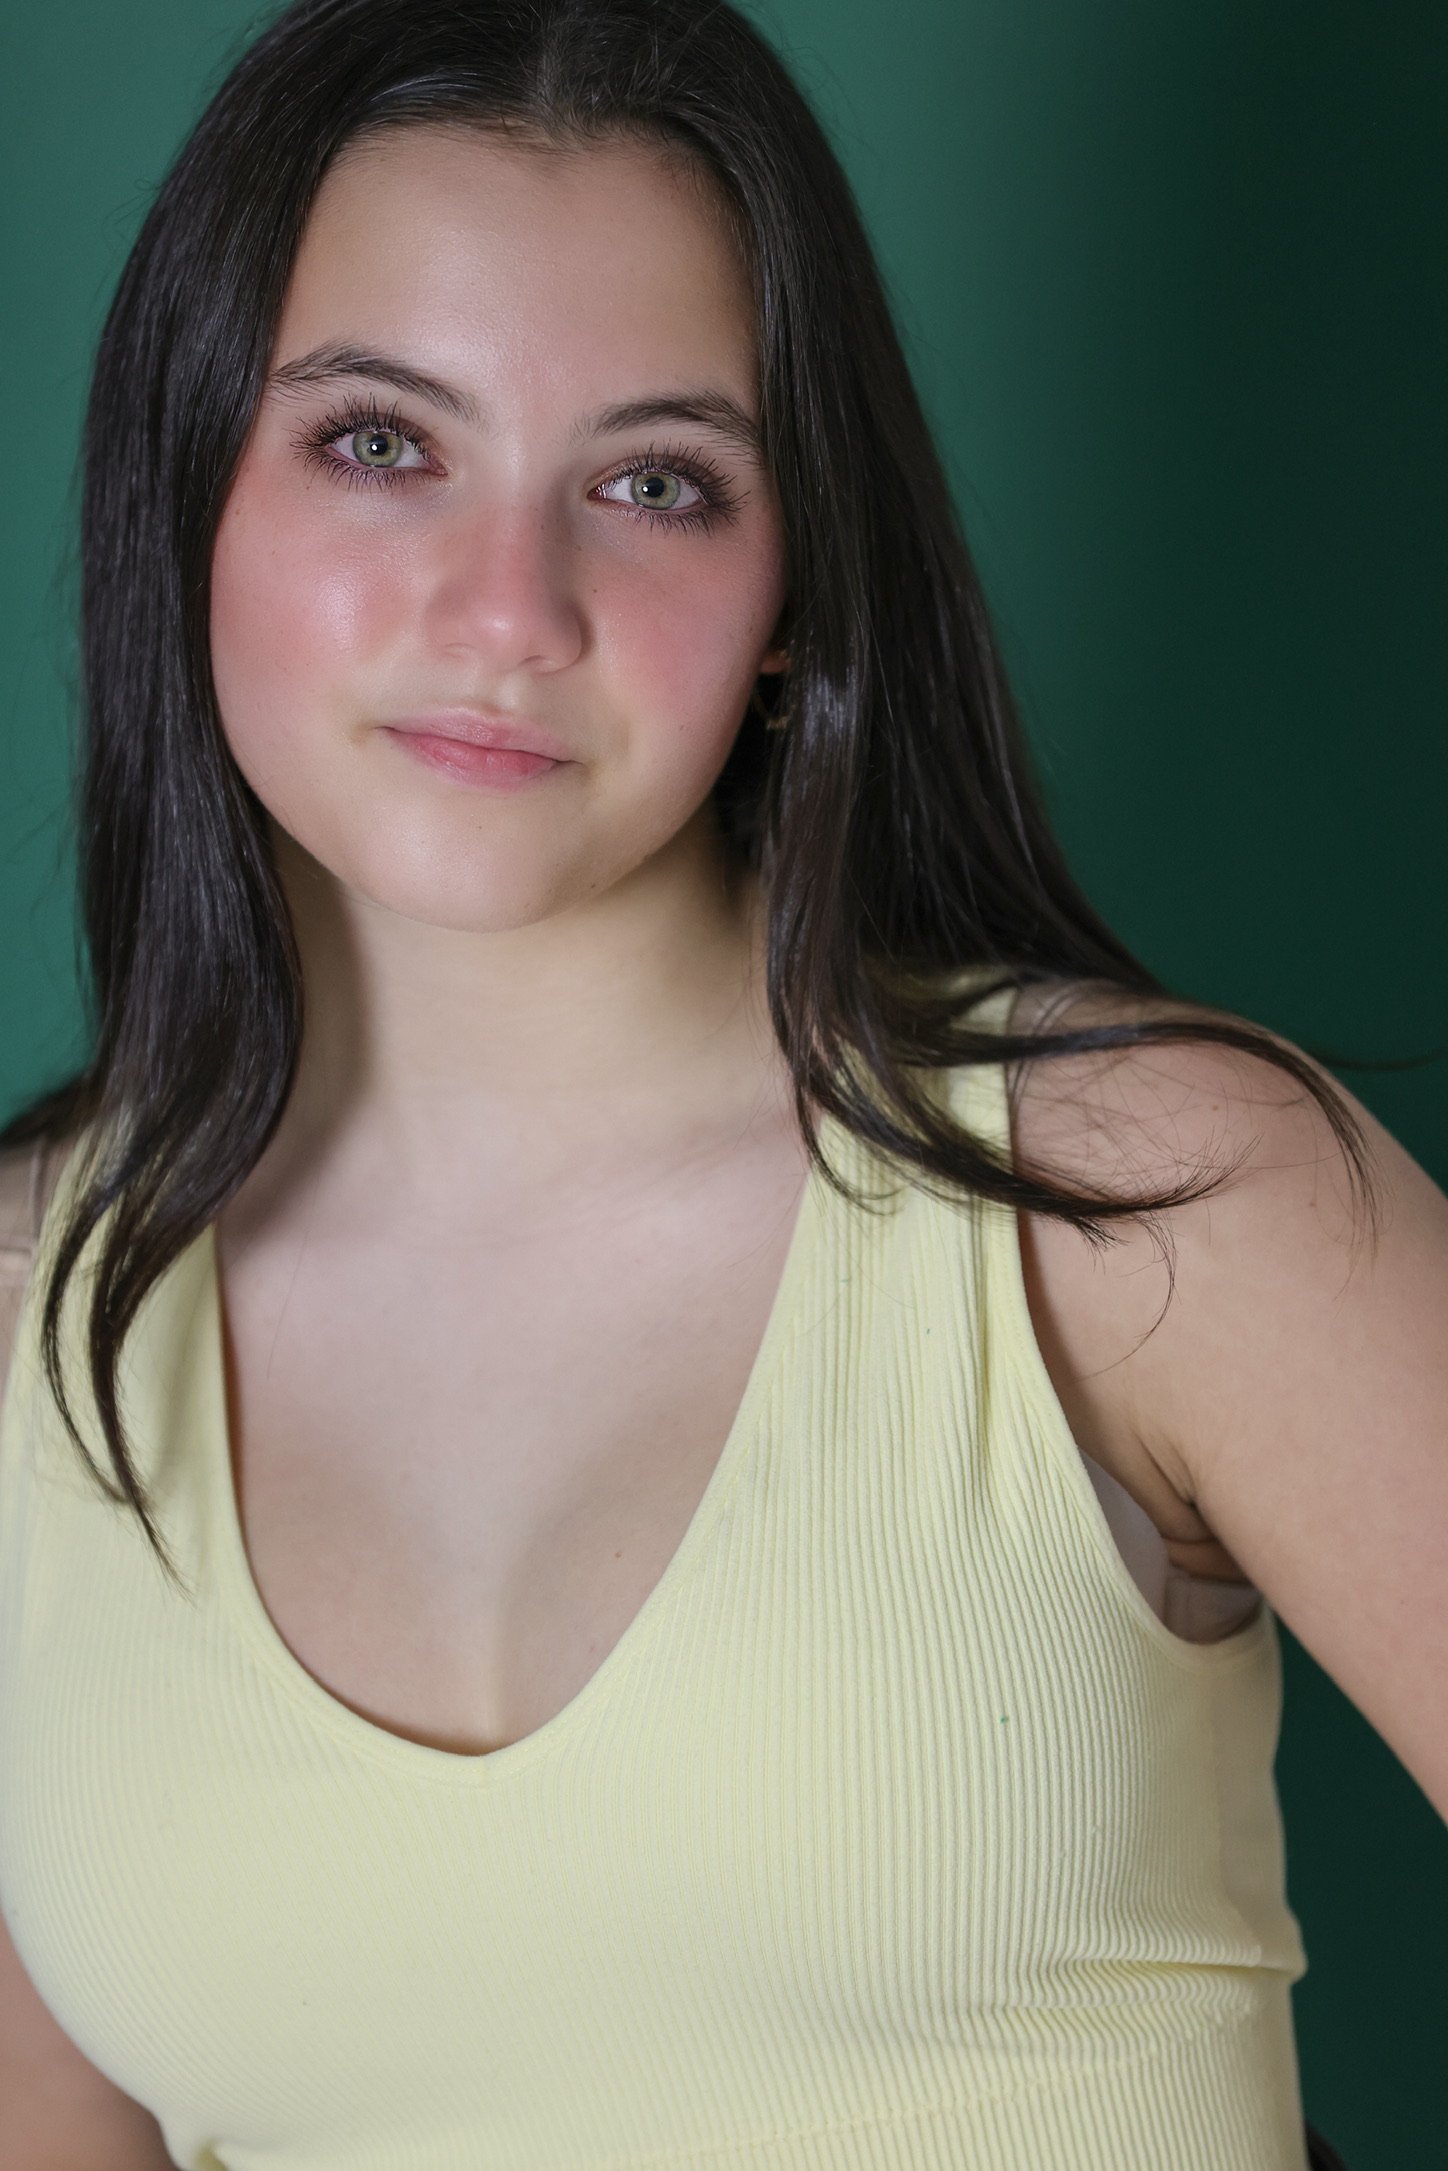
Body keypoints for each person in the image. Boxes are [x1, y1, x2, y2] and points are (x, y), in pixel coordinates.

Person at [0, 0, 1438, 2164]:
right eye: (381, 443)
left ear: (790, 590)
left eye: (654, 484)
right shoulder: (24, 1326)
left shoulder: (1156, 1206)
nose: (512, 611)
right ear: (185, 481)